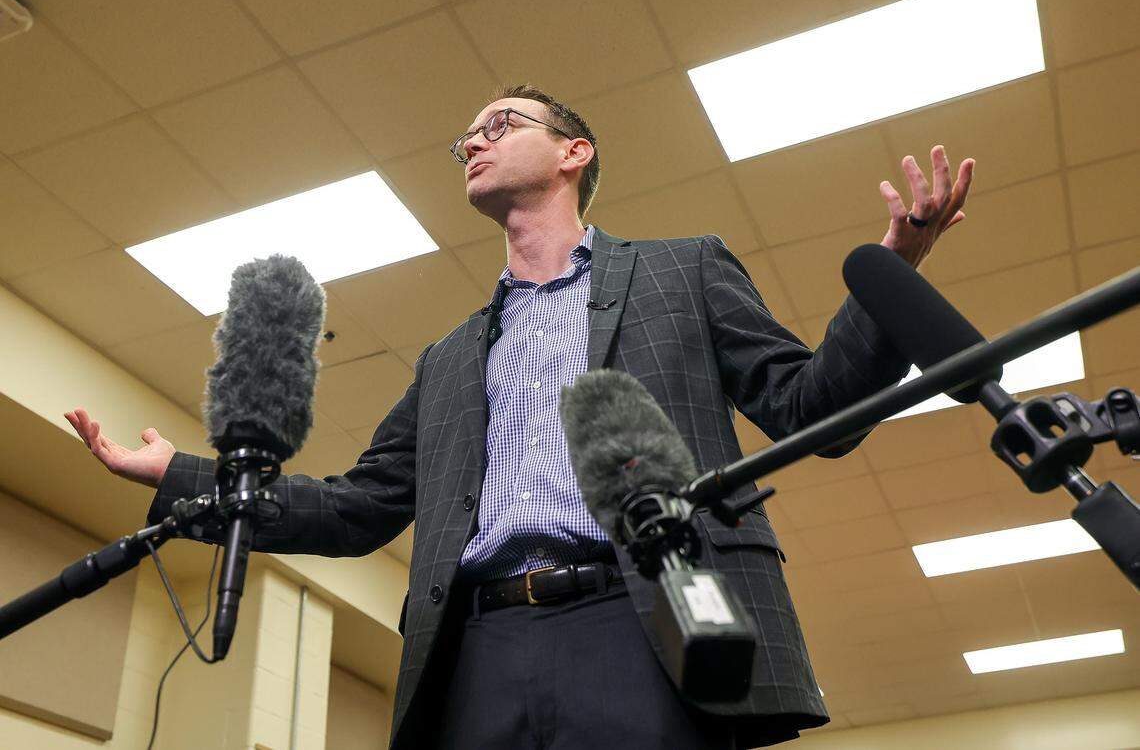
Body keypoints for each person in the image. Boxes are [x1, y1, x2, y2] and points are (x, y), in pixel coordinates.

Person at [65, 84, 973, 749]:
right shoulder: (452, 357)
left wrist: (893, 283)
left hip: (647, 623)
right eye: (464, 137)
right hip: (479, 645)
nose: (475, 142)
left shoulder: (680, 272)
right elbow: (357, 508)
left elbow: (815, 407)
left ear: (575, 151)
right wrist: (186, 476)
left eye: (500, 124)